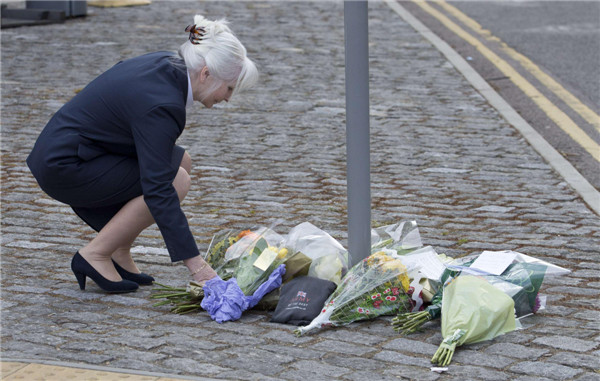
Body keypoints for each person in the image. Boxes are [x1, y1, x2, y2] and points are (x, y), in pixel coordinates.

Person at [27, 15, 258, 293]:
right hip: (65, 165)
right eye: (229, 87)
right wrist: (197, 266)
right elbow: (158, 188)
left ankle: (118, 248)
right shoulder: (162, 105)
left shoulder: (167, 65)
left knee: (181, 161)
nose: (228, 98)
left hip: (75, 151)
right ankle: (95, 254)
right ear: (206, 73)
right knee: (176, 181)